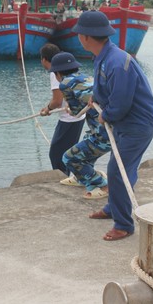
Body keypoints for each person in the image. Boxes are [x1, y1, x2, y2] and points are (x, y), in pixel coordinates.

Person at [73, 10, 153, 241]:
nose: (78, 37)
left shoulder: (116, 61)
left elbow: (120, 103)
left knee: (117, 171)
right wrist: (97, 100)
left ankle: (123, 225)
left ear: (86, 37)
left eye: (79, 34)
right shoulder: (104, 56)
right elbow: (107, 89)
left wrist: (106, 114)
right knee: (124, 168)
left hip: (137, 124)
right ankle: (114, 208)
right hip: (126, 123)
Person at [43, 52, 111, 199]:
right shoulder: (87, 78)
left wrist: (68, 107)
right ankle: (81, 177)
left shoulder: (65, 84)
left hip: (105, 135)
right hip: (111, 128)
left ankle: (102, 185)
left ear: (57, 73)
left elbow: (76, 112)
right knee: (86, 140)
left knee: (68, 158)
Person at [39, 43, 85, 176]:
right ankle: (68, 175)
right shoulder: (67, 68)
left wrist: (47, 109)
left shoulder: (55, 73)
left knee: (56, 154)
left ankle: (63, 178)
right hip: (78, 116)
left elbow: (57, 101)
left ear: (43, 59)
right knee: (67, 152)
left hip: (69, 119)